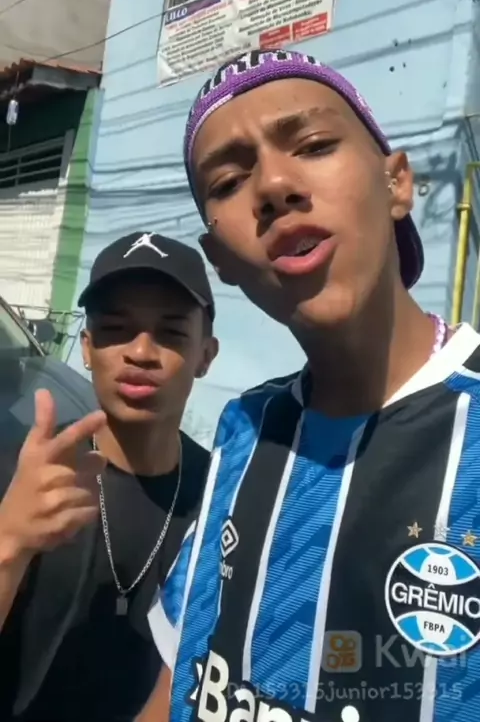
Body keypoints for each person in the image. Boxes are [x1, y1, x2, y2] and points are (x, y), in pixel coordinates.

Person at [142, 49, 480, 722]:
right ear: (220, 260)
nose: (274, 185)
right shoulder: (244, 427)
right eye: (229, 181)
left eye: (316, 145)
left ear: (396, 183)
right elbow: (180, 678)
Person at [0, 231, 218, 722]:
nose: (140, 352)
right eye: (116, 329)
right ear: (86, 347)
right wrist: (9, 539)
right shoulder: (21, 471)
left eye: (170, 333)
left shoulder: (223, 497)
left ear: (206, 355)